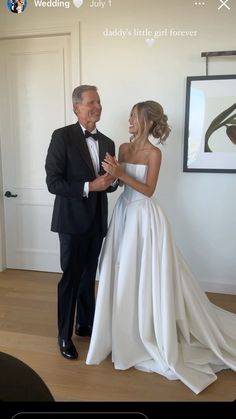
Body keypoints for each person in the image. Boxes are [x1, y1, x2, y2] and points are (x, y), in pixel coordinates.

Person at [86, 100, 236, 394]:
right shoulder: (124, 148)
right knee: (119, 270)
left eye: (132, 117)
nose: (128, 121)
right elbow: (120, 184)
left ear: (147, 121)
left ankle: (147, 331)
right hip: (124, 216)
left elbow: (148, 189)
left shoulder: (155, 153)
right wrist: (110, 179)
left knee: (145, 273)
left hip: (145, 216)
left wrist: (120, 174)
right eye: (128, 116)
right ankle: (119, 330)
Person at [45, 85, 116, 360]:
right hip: (71, 222)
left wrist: (112, 181)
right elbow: (54, 183)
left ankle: (85, 325)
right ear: (76, 107)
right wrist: (90, 185)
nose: (96, 106)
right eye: (91, 102)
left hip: (97, 221)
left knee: (89, 277)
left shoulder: (108, 142)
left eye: (99, 101)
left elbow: (107, 186)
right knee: (71, 279)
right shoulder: (61, 137)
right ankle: (64, 335)